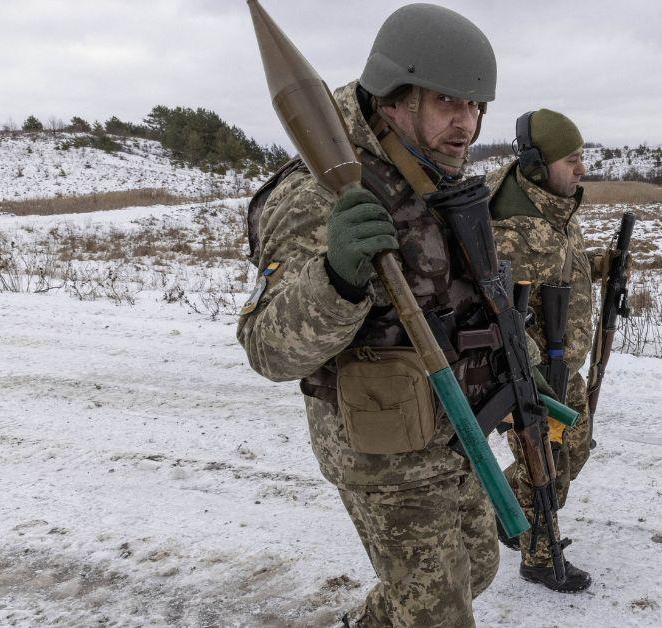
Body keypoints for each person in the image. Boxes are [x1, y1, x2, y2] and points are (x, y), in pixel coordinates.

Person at [237, 4, 506, 625]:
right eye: (448, 102)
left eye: (475, 107)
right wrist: (335, 278)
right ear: (392, 98)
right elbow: (268, 349)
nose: (466, 124)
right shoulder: (318, 191)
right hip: (380, 449)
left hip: (452, 429)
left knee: (478, 567)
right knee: (439, 613)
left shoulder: (433, 166)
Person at [486, 109, 603, 592]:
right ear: (537, 163)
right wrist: (526, 376)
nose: (581, 170)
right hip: (531, 375)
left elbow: (557, 275)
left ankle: (502, 506)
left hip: (565, 362)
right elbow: (495, 310)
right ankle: (537, 556)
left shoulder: (554, 207)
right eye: (571, 159)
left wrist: (598, 265)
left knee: (573, 450)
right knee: (546, 460)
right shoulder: (509, 229)